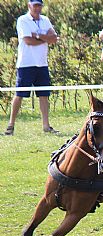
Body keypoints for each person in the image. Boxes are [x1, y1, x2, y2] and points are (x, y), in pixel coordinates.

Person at [4, 0, 59, 136]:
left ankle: (46, 126)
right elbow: (28, 40)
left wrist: (39, 35)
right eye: (35, 5)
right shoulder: (23, 20)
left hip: (42, 64)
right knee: (19, 94)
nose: (37, 8)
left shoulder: (45, 20)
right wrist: (45, 38)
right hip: (26, 64)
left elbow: (54, 38)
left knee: (44, 95)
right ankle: (11, 125)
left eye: (39, 5)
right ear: (29, 6)